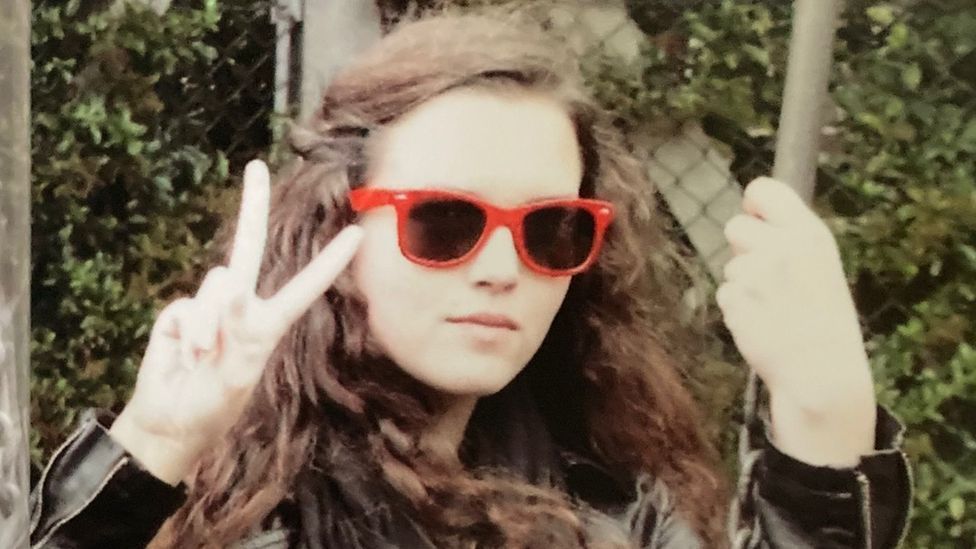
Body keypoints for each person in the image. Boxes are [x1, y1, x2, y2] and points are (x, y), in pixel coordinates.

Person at [28, 10, 911, 549]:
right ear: (343, 225)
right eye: (443, 221)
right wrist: (153, 446)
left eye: (550, 229)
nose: (501, 268)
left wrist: (825, 426)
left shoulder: (610, 500)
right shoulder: (243, 504)